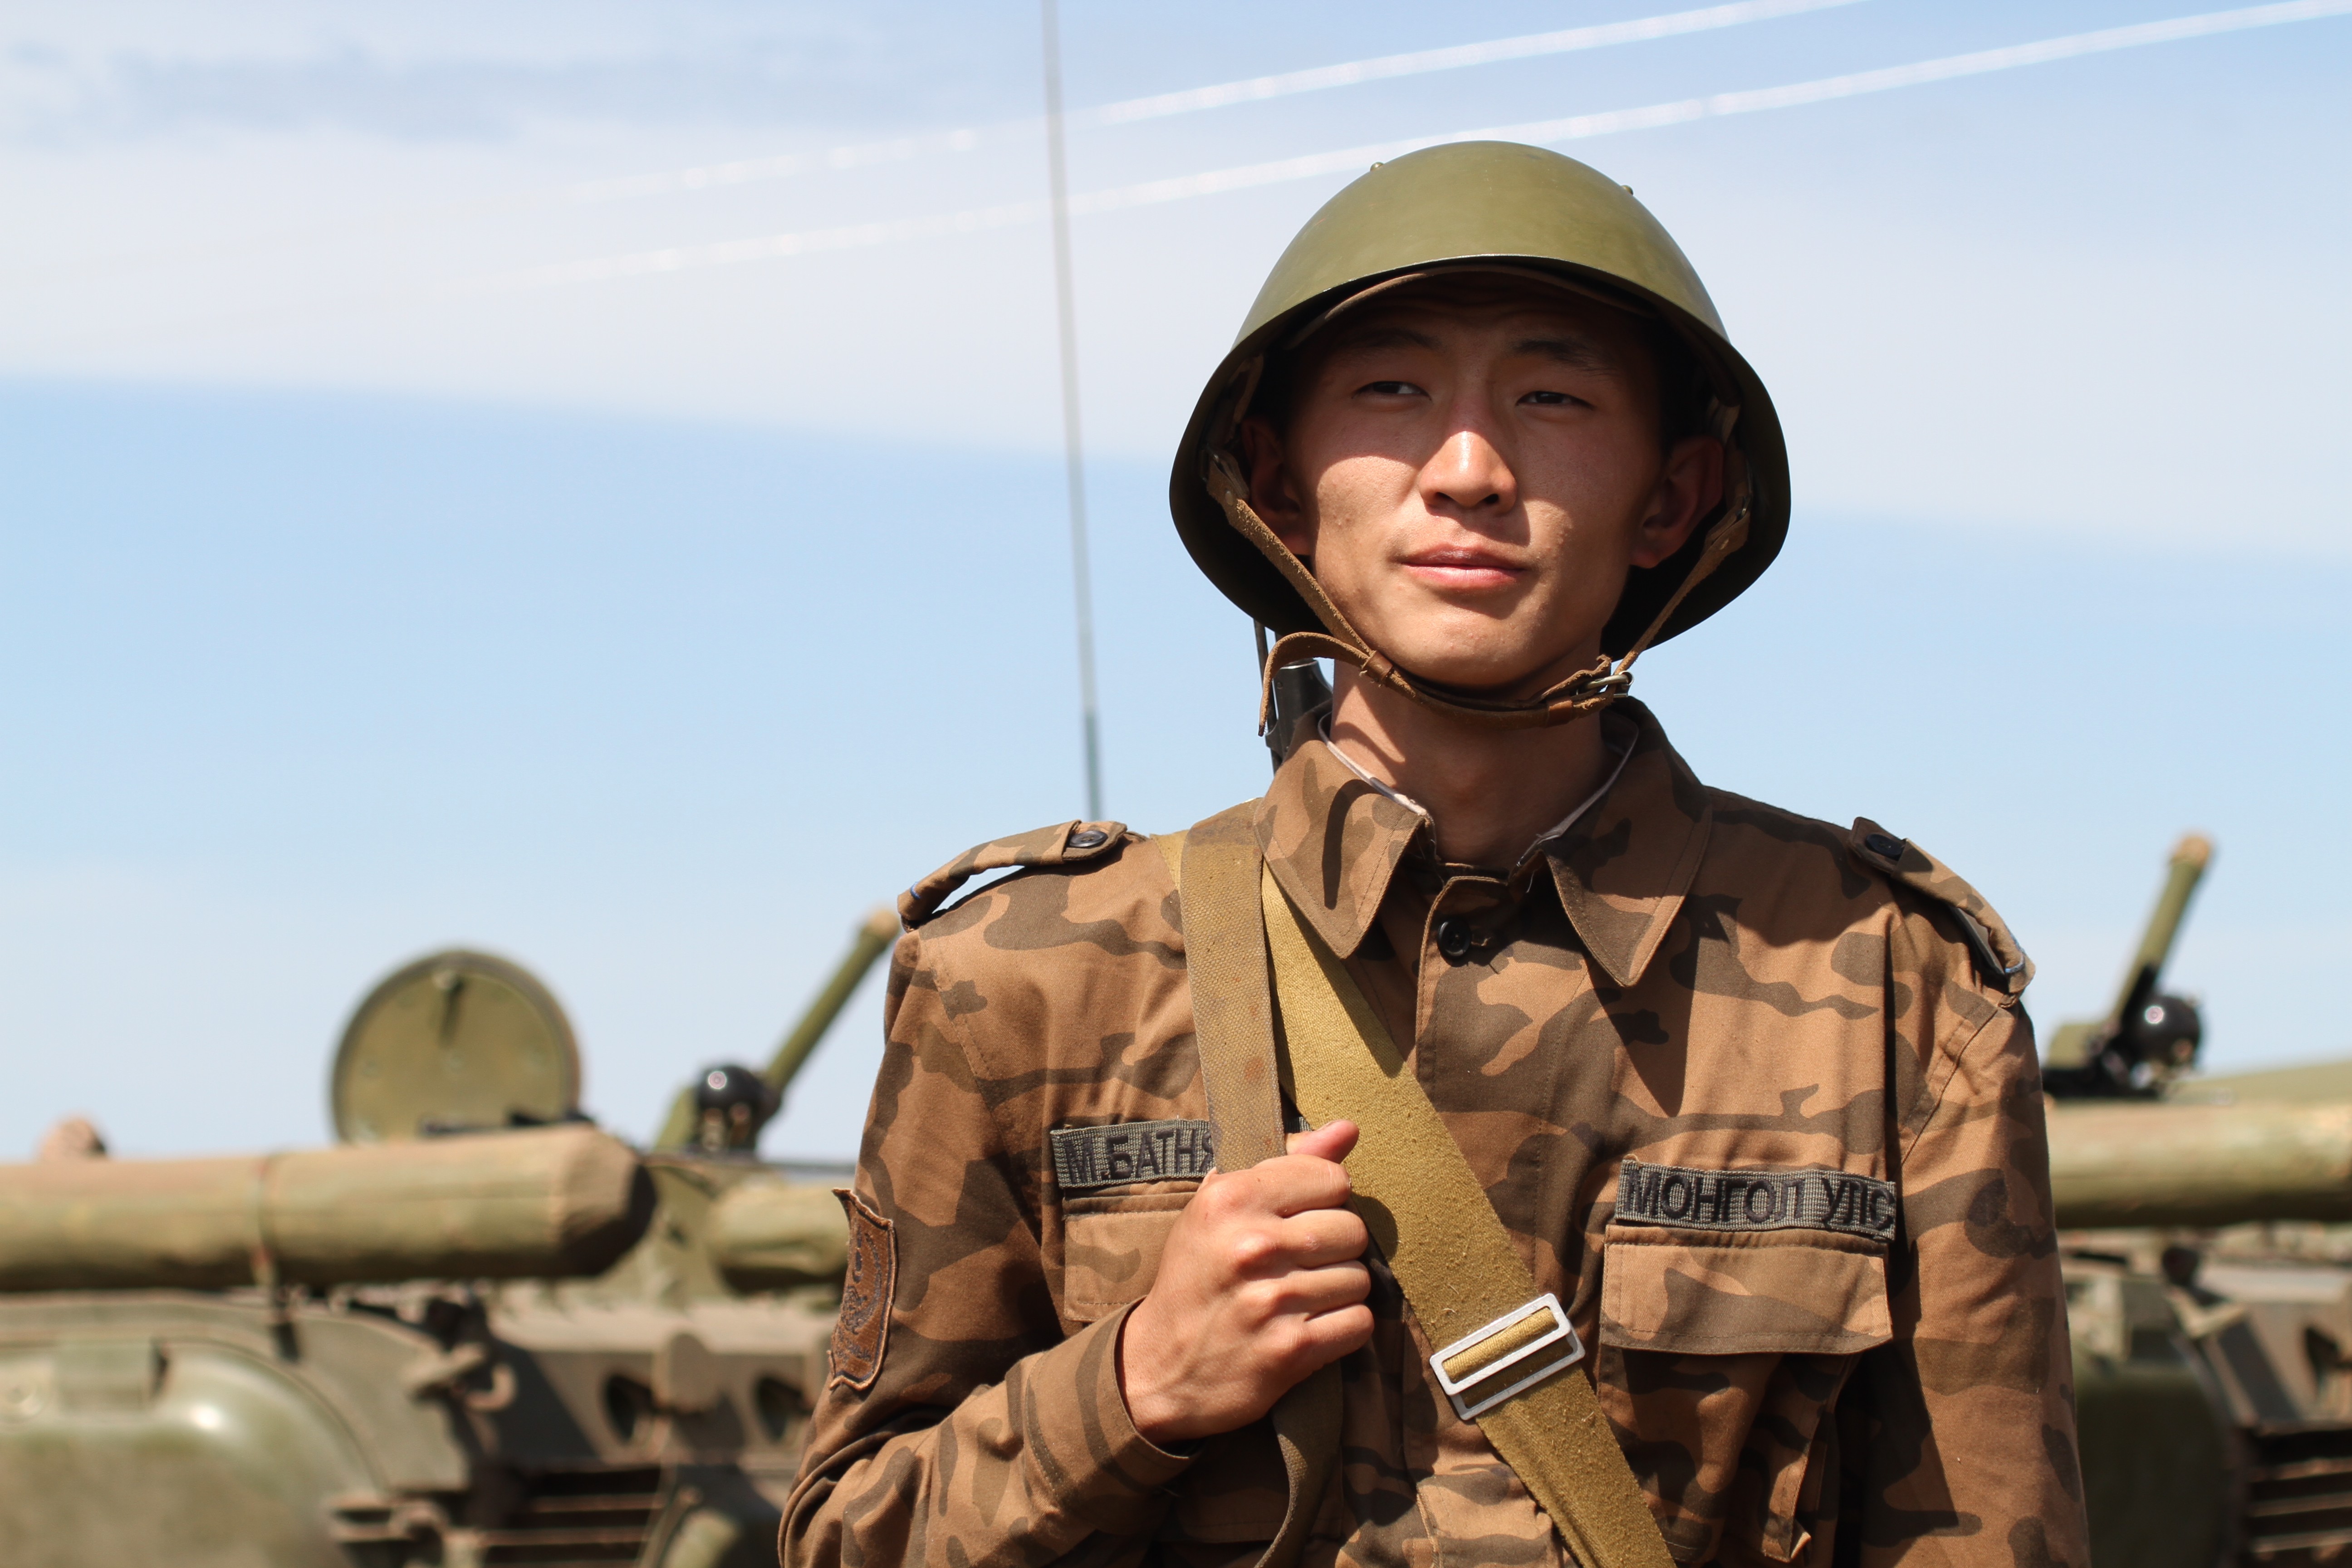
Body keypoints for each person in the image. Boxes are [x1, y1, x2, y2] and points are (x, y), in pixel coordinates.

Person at [783, 142, 2085, 1568]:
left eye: (1553, 398)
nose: (1469, 471)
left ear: (1673, 496)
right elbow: (848, 1541)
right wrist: (1137, 1381)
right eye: (1393, 393)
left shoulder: (1890, 989)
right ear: (1277, 484)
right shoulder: (1027, 981)